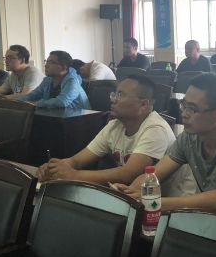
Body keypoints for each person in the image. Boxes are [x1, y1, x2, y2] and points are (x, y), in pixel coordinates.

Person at [116, 74, 216, 219]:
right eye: (183, 105)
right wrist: (131, 192)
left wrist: (155, 202)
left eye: (192, 109)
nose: (184, 114)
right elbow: (154, 174)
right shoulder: (189, 136)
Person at [37, 74, 175, 186]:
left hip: (161, 201)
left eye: (120, 95)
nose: (113, 100)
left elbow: (128, 174)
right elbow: (76, 161)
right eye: (114, 94)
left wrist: (74, 175)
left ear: (143, 104)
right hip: (132, 194)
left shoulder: (156, 129)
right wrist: (54, 168)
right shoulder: (114, 125)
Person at [16, 50, 90, 109]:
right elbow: (33, 95)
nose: (46, 65)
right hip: (58, 116)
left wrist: (36, 103)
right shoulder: (47, 80)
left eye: (51, 63)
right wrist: (18, 102)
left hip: (80, 119)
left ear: (64, 67)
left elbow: (61, 102)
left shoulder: (72, 81)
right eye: (46, 62)